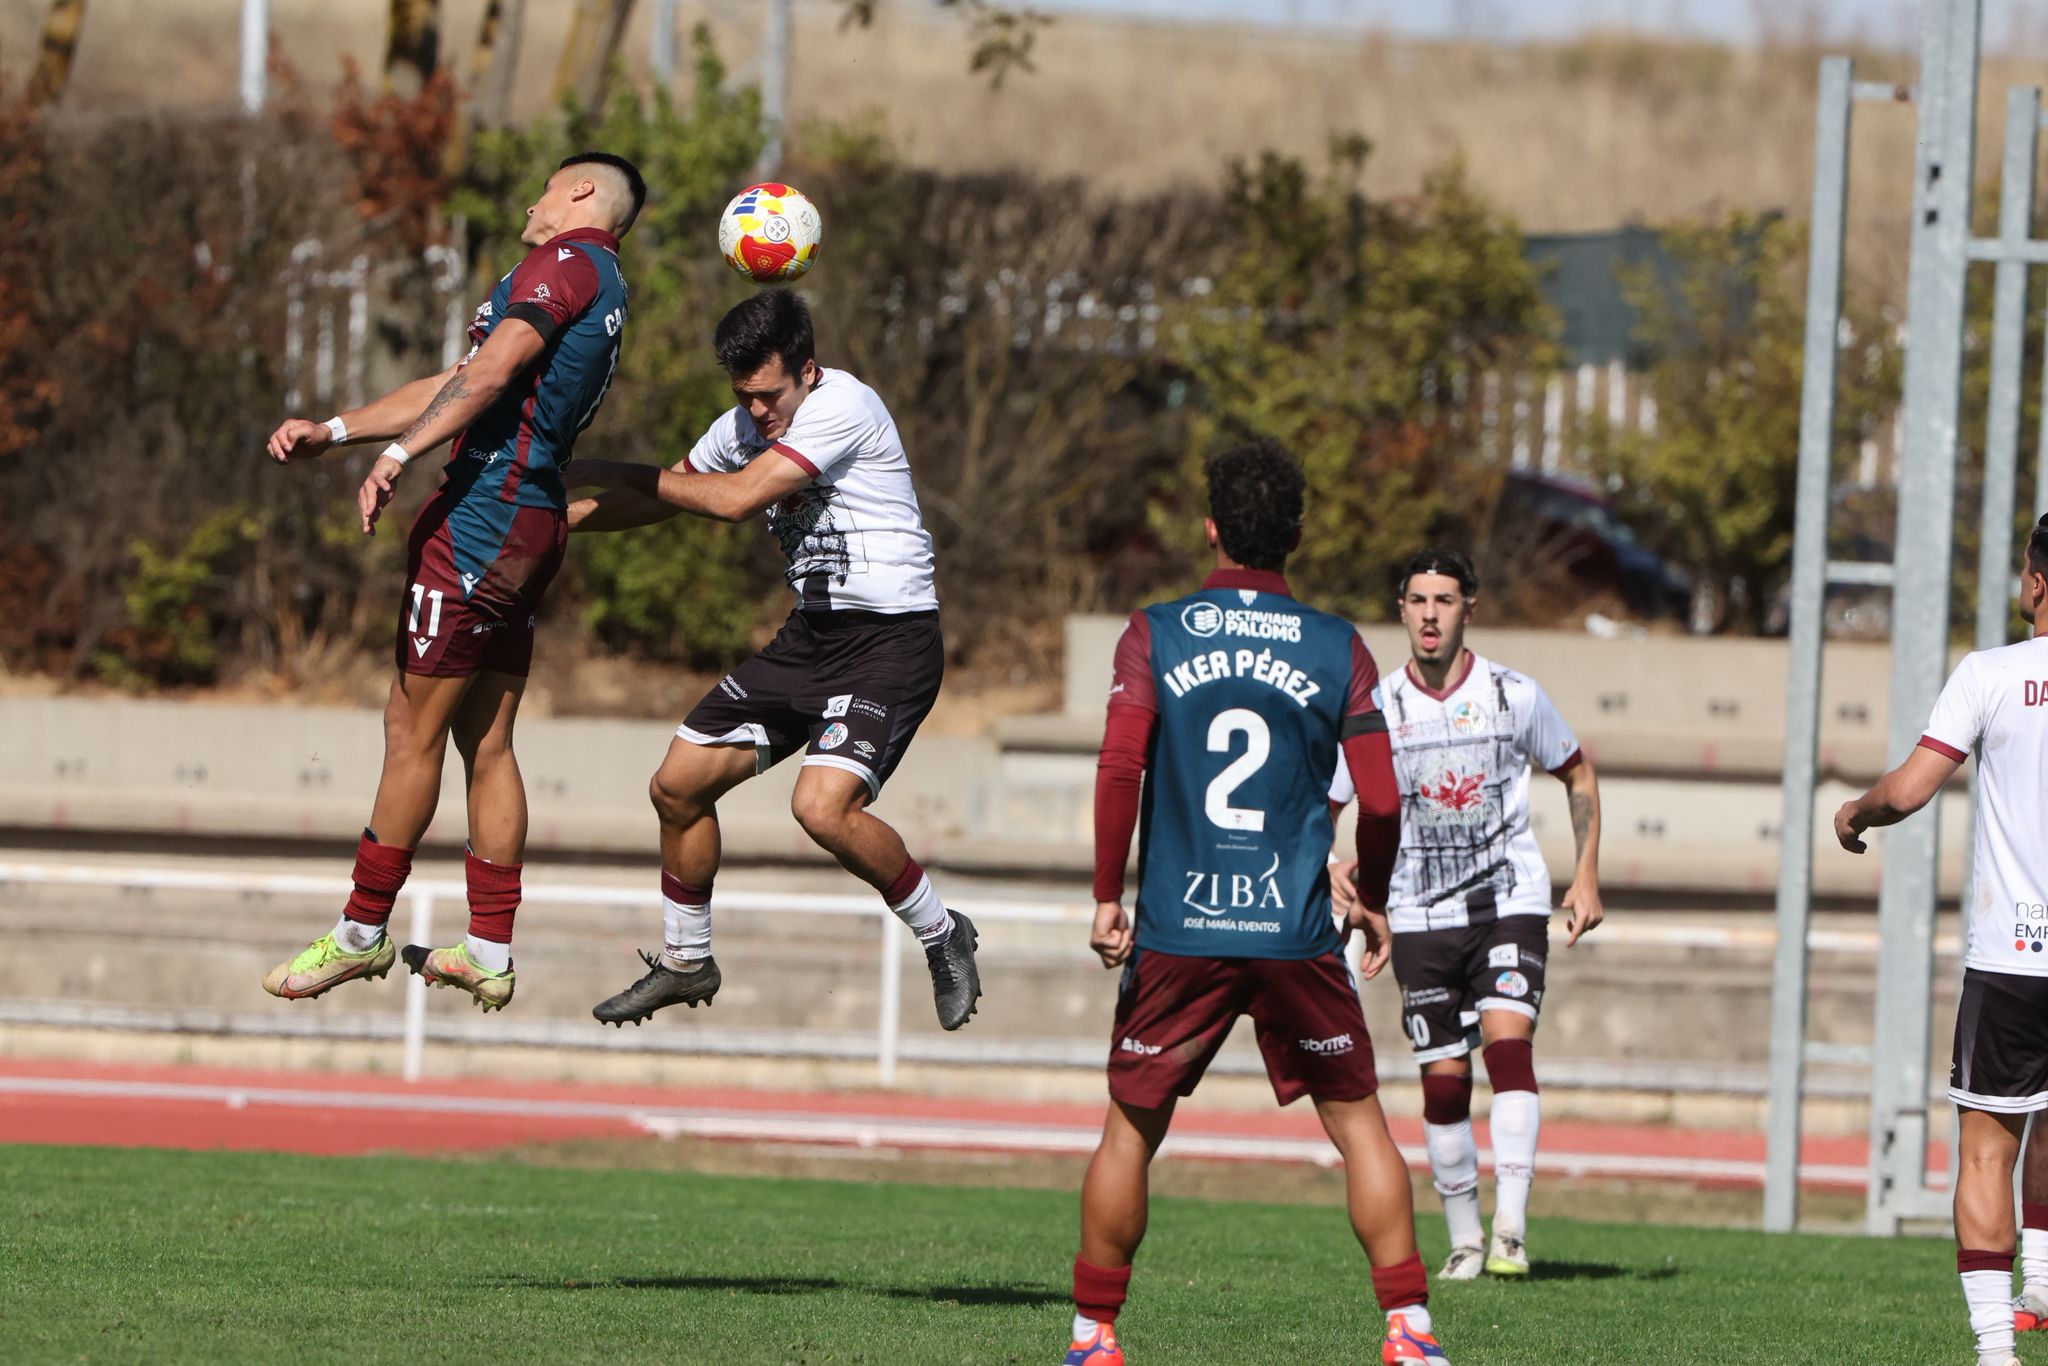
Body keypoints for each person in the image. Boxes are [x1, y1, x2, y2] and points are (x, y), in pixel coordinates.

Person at [1064, 440, 1446, 1366]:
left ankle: (1096, 1336)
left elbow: (1121, 765)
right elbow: (1384, 800)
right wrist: (1378, 896)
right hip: (1294, 929)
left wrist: (1107, 893)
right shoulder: (1338, 645)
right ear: (1298, 535)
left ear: (1211, 527)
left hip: (1181, 925)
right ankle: (1407, 1331)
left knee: (1131, 1127)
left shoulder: (1154, 631)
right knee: (1359, 1119)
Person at [259, 152, 644, 1012]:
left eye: (548, 184)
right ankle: (489, 950)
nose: (534, 196)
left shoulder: (566, 263)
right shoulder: (596, 282)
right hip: (528, 519)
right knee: (488, 740)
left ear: (583, 195)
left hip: (485, 518)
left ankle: (359, 935)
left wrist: (398, 457)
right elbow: (460, 381)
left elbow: (491, 371)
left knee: (411, 729)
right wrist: (341, 429)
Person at [563, 289, 978, 1031]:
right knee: (677, 786)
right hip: (811, 640)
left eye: (768, 396)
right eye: (744, 399)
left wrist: (607, 465)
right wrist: (555, 522)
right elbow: (670, 494)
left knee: (822, 810)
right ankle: (688, 962)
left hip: (889, 642)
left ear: (808, 371)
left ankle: (943, 933)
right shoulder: (741, 425)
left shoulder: (844, 405)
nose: (757, 413)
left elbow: (731, 501)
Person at [1329, 548, 1604, 1281]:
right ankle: (1464, 1242)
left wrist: (1584, 874)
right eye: (1417, 599)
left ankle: (1510, 1227)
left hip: (1506, 899)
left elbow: (1576, 768)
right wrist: (1337, 874)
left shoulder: (1514, 695)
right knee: (1444, 1080)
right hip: (1417, 911)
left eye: (1443, 600)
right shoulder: (1378, 708)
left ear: (1468, 609)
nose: (1429, 614)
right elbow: (1329, 803)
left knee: (1509, 1049)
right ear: (1401, 610)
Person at [1834, 515, 2048, 1366]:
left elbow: (1914, 788)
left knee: (1987, 1150)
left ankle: (1996, 1351)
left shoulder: (1991, 675)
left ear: (2034, 581)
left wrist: (1856, 810)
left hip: (2011, 959)